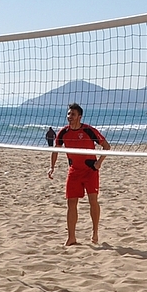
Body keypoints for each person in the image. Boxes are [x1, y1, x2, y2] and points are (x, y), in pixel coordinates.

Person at [48, 103, 111, 245]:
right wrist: (52, 167)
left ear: (79, 117)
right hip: (74, 171)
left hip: (90, 171)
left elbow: (107, 147)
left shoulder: (89, 130)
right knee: (71, 203)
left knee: (93, 201)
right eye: (68, 114)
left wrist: (99, 162)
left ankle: (95, 232)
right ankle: (71, 237)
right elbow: (55, 150)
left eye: (73, 114)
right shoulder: (63, 132)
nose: (70, 117)